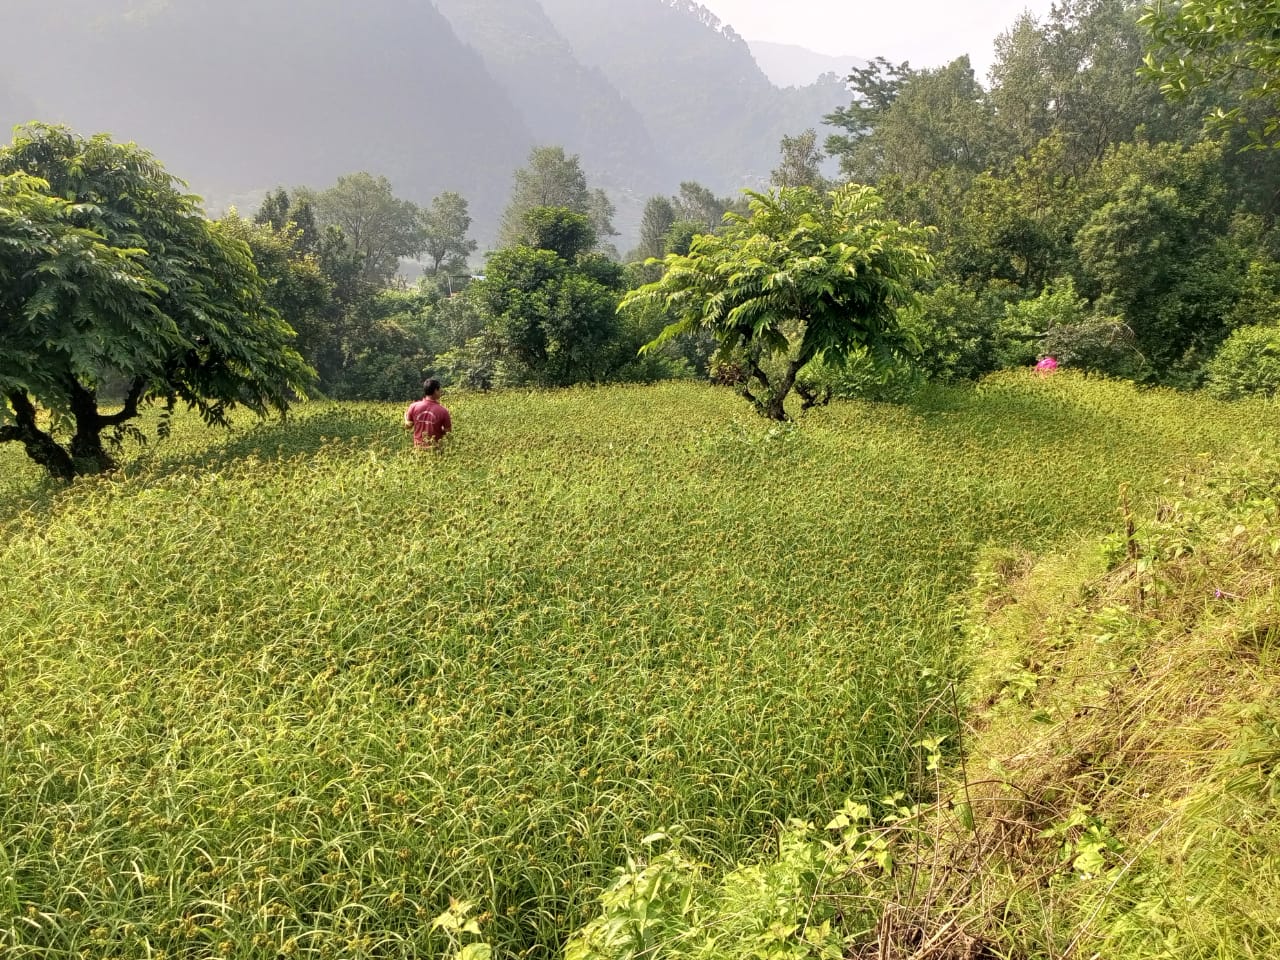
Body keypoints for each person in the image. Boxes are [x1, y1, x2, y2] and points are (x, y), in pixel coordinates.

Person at [403, 378, 452, 449]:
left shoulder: (413, 406)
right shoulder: (443, 411)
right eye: (439, 390)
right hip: (435, 449)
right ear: (435, 390)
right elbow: (448, 432)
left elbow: (408, 426)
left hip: (418, 449)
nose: (440, 392)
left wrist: (405, 417)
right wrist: (438, 430)